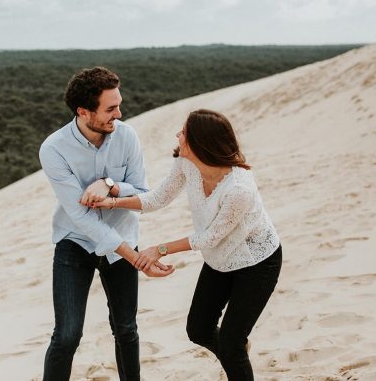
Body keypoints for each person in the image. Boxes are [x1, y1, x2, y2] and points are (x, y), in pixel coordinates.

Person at [84, 109, 281, 381]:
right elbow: (156, 199)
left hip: (257, 262)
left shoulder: (239, 189)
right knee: (198, 330)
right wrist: (114, 202)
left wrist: (159, 249)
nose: (178, 135)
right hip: (220, 259)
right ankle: (232, 349)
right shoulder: (186, 163)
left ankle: (233, 349)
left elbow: (209, 237)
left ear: (201, 142)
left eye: (184, 132)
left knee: (232, 343)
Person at [39, 66, 174, 381]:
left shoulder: (127, 135)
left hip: (123, 236)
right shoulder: (54, 149)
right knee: (67, 334)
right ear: (83, 111)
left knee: (126, 329)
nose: (120, 113)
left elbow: (141, 192)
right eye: (111, 108)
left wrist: (110, 184)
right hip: (76, 242)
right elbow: (82, 216)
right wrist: (135, 258)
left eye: (119, 104)